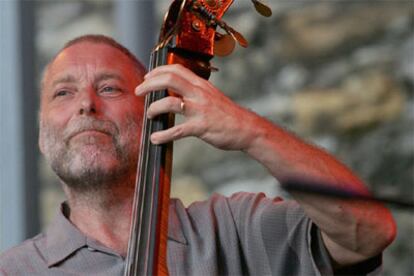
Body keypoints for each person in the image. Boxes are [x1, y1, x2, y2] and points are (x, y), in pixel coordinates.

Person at [0, 34, 396, 275]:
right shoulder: (14, 271)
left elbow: (369, 232)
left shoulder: (236, 229)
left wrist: (249, 131)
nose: (86, 104)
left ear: (155, 112)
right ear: (41, 132)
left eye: (109, 89)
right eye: (63, 93)